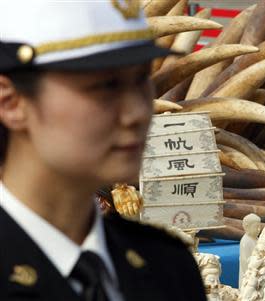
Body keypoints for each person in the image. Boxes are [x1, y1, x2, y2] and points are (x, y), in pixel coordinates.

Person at [0, 2, 206, 301]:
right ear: (10, 102)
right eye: (105, 86)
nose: (136, 112)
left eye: (141, 80)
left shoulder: (168, 267)